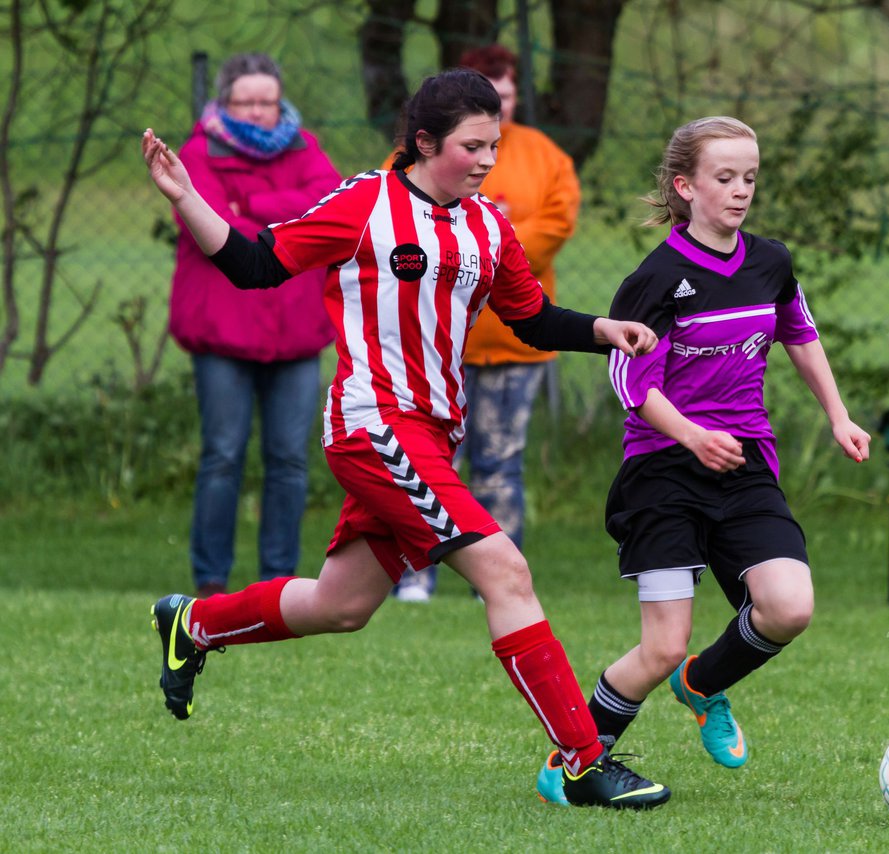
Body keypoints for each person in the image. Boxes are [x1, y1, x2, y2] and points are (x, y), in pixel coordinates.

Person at [140, 68, 670, 810]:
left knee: (340, 605)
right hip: (372, 426)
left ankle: (192, 623)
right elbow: (255, 264)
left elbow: (531, 318)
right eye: (471, 146)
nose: (486, 161)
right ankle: (582, 762)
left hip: (431, 435)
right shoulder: (365, 204)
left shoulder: (488, 225)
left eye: (493, 145)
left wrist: (600, 330)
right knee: (505, 571)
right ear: (424, 142)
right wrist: (187, 196)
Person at [528, 116, 871, 806]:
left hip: (742, 464)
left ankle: (703, 684)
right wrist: (689, 435)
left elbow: (800, 333)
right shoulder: (657, 279)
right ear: (685, 187)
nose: (740, 190)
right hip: (663, 473)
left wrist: (838, 415)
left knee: (789, 607)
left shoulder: (770, 263)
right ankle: (570, 765)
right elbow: (629, 382)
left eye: (750, 177)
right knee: (660, 645)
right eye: (724, 177)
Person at [383, 45, 581, 603]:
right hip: (433, 349)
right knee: (428, 465)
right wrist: (483, 233)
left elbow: (554, 226)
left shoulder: (546, 156)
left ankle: (493, 577)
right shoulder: (408, 160)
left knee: (500, 467)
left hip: (514, 351)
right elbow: (393, 225)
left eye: (510, 95)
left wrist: (490, 239)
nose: (484, 156)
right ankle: (415, 574)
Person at [171, 53, 340, 598]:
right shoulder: (197, 154)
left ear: (280, 101)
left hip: (295, 331)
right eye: (245, 101)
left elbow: (327, 208)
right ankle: (211, 578)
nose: (258, 111)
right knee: (223, 456)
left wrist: (252, 204)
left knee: (290, 459)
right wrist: (281, 218)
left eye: (267, 101)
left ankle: (279, 578)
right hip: (222, 331)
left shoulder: (306, 147)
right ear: (224, 102)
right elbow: (212, 226)